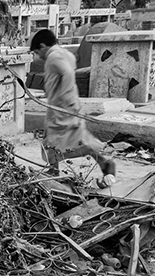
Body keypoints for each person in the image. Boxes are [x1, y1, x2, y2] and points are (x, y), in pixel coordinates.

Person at [29, 29, 116, 187]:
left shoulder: (53, 57)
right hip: (64, 105)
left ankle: (104, 161)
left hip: (62, 107)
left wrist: (65, 101)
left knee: (69, 141)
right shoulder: (66, 54)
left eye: (36, 51)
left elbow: (68, 73)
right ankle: (54, 169)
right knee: (57, 138)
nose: (38, 56)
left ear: (42, 46)